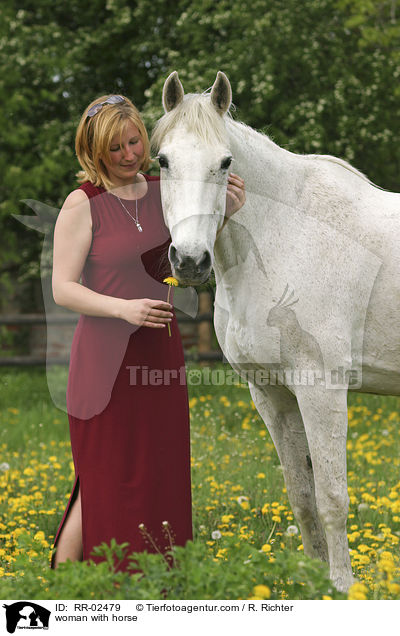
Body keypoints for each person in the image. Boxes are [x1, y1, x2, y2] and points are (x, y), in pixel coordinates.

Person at [50, 93, 246, 572]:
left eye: (135, 141)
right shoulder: (83, 203)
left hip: (159, 354)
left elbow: (188, 250)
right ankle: (64, 587)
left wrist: (227, 213)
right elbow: (61, 288)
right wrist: (122, 309)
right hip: (104, 362)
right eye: (115, 149)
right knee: (102, 477)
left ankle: (157, 583)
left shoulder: (166, 189)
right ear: (94, 152)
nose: (129, 155)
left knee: (160, 472)